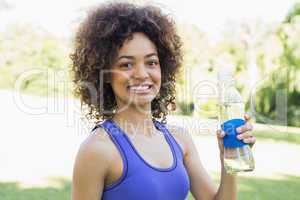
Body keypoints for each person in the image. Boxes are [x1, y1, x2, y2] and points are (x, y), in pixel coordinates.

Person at [70, 1, 256, 200]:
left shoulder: (180, 140)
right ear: (105, 74)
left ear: (163, 68)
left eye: (151, 62)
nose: (142, 74)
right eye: (126, 65)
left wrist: (229, 156)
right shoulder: (97, 150)